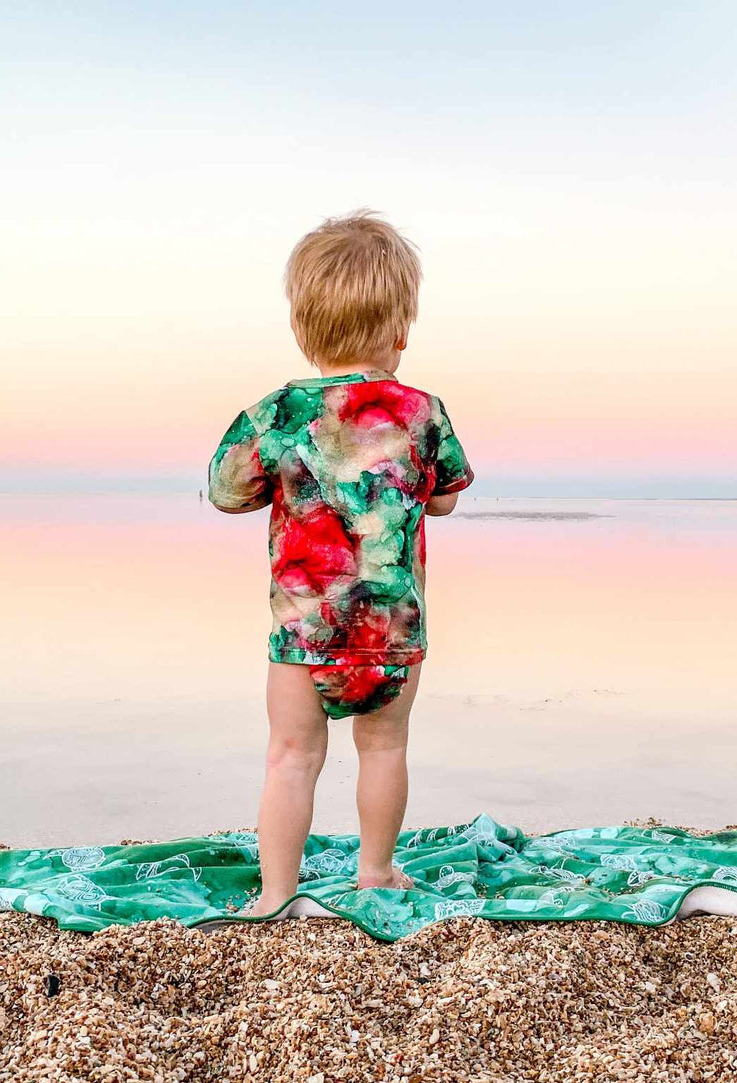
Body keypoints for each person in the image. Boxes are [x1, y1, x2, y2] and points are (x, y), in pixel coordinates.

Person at [207, 210, 473, 914]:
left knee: (290, 755)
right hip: (391, 630)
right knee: (383, 748)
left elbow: (226, 494)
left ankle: (274, 892)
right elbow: (443, 500)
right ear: (401, 330)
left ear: (301, 328)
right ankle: (376, 869)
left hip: (303, 631)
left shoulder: (277, 413)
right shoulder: (422, 411)